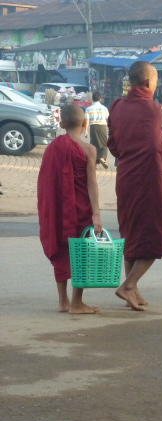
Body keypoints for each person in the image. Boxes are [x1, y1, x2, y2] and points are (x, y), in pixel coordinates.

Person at [107, 61, 162, 311]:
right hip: (149, 180)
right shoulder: (152, 109)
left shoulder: (118, 106)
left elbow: (113, 144)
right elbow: (157, 147)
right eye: (155, 81)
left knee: (131, 232)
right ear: (147, 83)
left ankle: (134, 289)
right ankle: (129, 285)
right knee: (155, 234)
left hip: (126, 177)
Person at [37, 105, 103, 314]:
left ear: (62, 124)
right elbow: (92, 184)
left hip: (57, 210)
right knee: (80, 252)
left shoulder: (52, 148)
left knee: (61, 250)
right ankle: (77, 302)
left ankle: (62, 301)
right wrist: (97, 213)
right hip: (81, 210)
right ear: (85, 124)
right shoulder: (89, 150)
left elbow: (46, 182)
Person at [85, 91, 110, 169]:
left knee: (93, 144)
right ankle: (102, 157)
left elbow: (87, 120)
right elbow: (108, 119)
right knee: (104, 144)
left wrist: (86, 130)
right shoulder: (104, 108)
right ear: (100, 98)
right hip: (102, 127)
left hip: (93, 127)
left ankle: (94, 163)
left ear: (92, 98)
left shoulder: (88, 109)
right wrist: (109, 129)